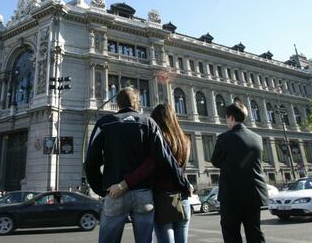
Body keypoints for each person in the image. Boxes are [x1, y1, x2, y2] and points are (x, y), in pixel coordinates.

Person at [85, 88, 186, 243]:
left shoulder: (104, 123)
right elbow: (165, 157)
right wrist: (183, 183)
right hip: (143, 195)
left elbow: (91, 161)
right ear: (137, 103)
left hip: (114, 192)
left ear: (117, 104)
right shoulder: (149, 123)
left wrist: (101, 189)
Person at [109, 103, 192, 243]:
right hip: (183, 200)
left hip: (163, 201)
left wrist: (124, 184)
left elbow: (148, 167)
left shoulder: (160, 140)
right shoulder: (185, 140)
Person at [211, 102, 268, 243]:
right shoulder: (257, 138)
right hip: (254, 193)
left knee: (231, 233)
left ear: (231, 118)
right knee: (254, 232)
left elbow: (215, 161)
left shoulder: (225, 138)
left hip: (231, 194)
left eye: (226, 118)